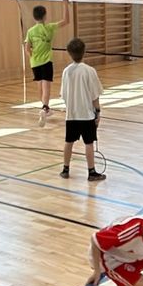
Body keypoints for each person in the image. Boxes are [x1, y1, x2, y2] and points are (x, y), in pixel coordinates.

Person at [59, 37, 105, 182]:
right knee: (89, 143)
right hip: (86, 115)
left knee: (69, 142)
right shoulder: (89, 71)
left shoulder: (66, 71)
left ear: (69, 53)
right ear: (84, 52)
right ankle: (91, 172)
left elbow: (64, 95)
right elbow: (94, 95)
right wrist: (97, 112)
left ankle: (65, 169)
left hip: (71, 115)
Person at [25, 0, 70, 126]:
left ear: (34, 17)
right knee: (46, 87)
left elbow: (27, 48)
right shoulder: (49, 27)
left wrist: (32, 56)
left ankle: (46, 108)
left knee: (40, 86)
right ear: (45, 16)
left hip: (34, 63)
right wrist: (65, 4)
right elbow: (66, 21)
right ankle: (44, 108)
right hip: (46, 62)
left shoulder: (30, 31)